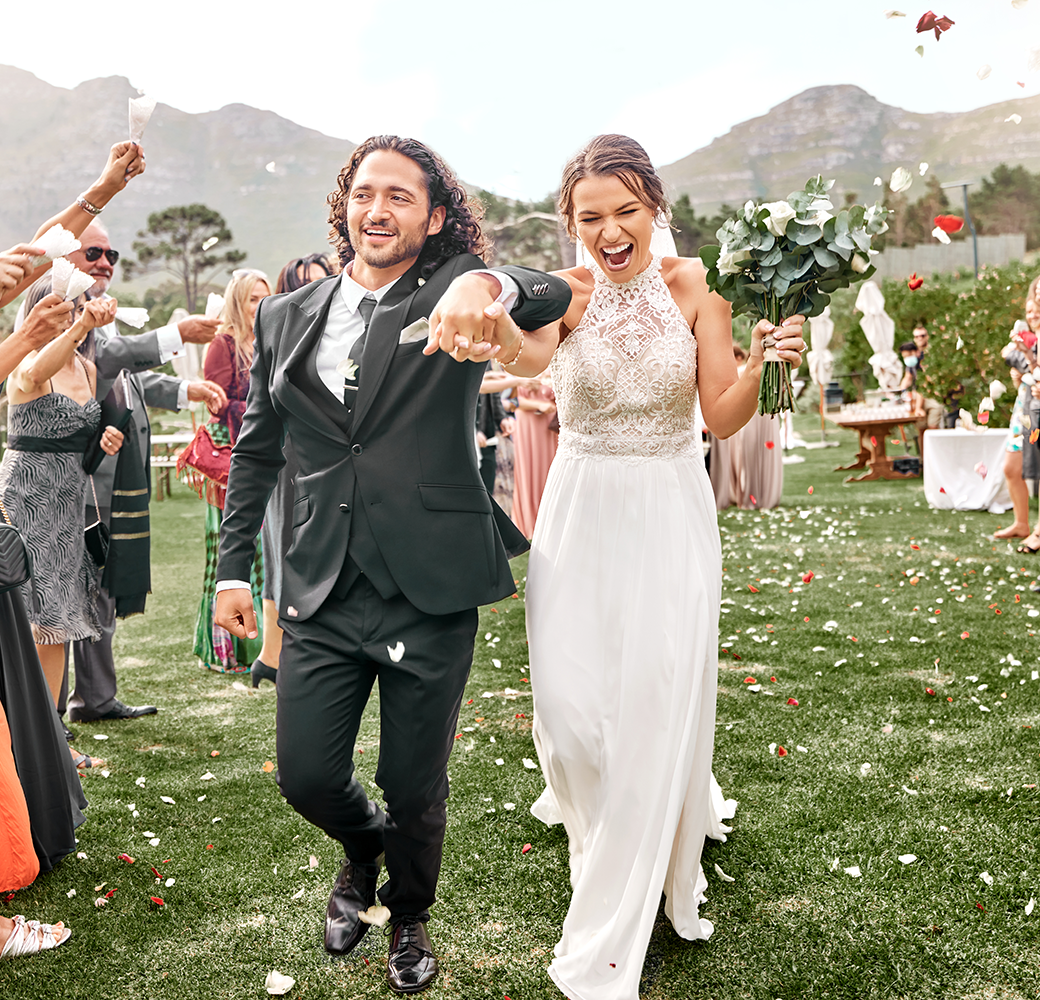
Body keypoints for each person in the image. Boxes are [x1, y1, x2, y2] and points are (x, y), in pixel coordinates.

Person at [213, 134, 570, 994]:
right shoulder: (284, 316)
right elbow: (258, 452)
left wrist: (487, 282)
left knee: (416, 783)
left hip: (431, 578)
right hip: (320, 583)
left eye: (400, 196)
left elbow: (548, 288)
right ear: (345, 205)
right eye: (365, 193)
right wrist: (233, 573)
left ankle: (407, 914)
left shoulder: (456, 291)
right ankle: (361, 846)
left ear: (434, 215)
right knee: (305, 776)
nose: (378, 209)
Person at [504, 135, 805, 999]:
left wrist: (762, 362)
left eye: (626, 212)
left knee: (652, 696)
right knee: (566, 714)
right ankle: (600, 832)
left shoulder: (697, 289)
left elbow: (720, 413)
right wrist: (496, 335)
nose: (609, 230)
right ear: (571, 224)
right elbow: (525, 355)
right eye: (589, 216)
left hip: (671, 507)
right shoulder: (566, 295)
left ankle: (627, 883)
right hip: (581, 507)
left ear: (655, 211)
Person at [63, 220, 227, 726]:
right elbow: (107, 359)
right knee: (76, 591)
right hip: (81, 476)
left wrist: (184, 391)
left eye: (111, 253)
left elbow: (126, 376)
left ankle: (95, 699)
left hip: (116, 473)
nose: (106, 262)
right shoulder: (64, 310)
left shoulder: (102, 312)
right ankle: (58, 710)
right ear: (66, 255)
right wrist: (173, 335)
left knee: (101, 589)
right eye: (94, 251)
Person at [0, 282, 126, 732]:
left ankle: (49, 738)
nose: (71, 316)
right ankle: (20, 734)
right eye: (60, 311)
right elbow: (34, 377)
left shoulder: (88, 369)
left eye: (76, 309)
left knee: (59, 621)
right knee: (32, 616)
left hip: (70, 497)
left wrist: (104, 444)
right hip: (26, 494)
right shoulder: (25, 363)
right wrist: (79, 328)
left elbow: (81, 443)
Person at [251, 255, 339, 689]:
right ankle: (274, 651)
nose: (315, 289)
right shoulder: (277, 330)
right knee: (282, 546)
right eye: (304, 283)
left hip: (329, 464)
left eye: (323, 281)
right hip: (286, 462)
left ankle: (281, 652)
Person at [193, 269, 271, 673]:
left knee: (264, 552)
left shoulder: (271, 340)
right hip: (232, 460)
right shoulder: (223, 344)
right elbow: (216, 403)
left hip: (269, 451)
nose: (260, 305)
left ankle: (264, 643)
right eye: (252, 298)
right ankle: (226, 650)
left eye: (265, 297)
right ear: (237, 303)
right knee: (231, 551)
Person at [995, 310, 1038, 542]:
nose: (1033, 313)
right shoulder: (1026, 345)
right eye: (1029, 308)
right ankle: (1021, 523)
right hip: (1022, 409)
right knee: (1011, 468)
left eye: (1038, 308)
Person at [511, 371, 557, 537]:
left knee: (549, 471)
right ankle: (528, 522)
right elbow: (510, 401)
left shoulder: (556, 365)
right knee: (528, 471)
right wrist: (537, 405)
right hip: (527, 426)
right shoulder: (516, 366)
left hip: (550, 427)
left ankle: (551, 520)